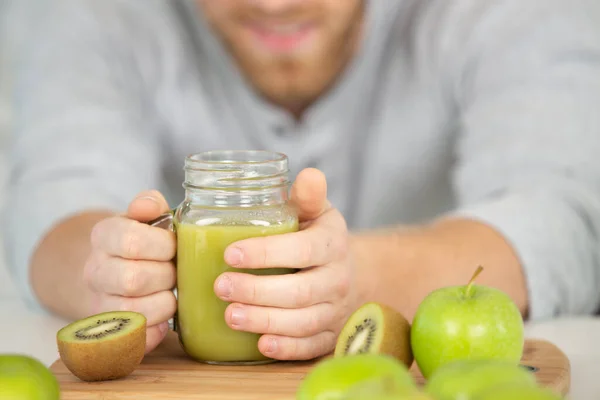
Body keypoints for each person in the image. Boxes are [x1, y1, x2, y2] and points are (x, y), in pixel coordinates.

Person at [3, 0, 600, 360]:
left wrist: (360, 278)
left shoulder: (508, 12)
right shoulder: (92, 13)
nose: (274, 4)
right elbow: (53, 200)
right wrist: (114, 273)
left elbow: (563, 215)